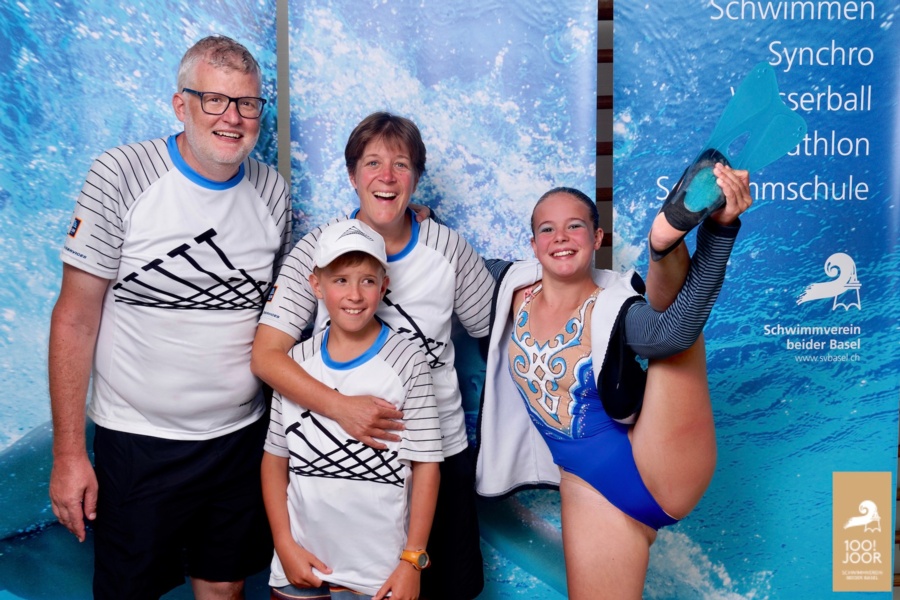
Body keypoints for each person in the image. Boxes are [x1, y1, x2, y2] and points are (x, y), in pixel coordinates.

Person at [48, 35, 291, 599]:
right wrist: (68, 454)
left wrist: (398, 222)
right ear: (181, 104)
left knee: (226, 589)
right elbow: (75, 318)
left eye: (247, 103)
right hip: (138, 441)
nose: (232, 118)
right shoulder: (120, 174)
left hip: (238, 441)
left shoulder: (272, 190)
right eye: (214, 100)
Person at [476, 166, 752, 599]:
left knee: (671, 346)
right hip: (588, 487)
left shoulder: (612, 308)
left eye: (575, 226)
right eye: (547, 229)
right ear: (533, 245)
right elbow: (446, 261)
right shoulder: (512, 290)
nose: (560, 237)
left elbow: (674, 334)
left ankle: (664, 244)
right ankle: (667, 242)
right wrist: (416, 216)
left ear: (597, 238)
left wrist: (721, 232)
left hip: (663, 464)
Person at [252, 112, 491, 599]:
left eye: (401, 165)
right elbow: (267, 357)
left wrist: (548, 284)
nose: (387, 177)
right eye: (373, 163)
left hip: (434, 456)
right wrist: (341, 407)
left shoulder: (447, 247)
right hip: (340, 460)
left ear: (416, 178)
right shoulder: (318, 249)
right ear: (352, 175)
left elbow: (494, 326)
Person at [261, 219, 443, 600]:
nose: (355, 295)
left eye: (367, 281)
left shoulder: (407, 360)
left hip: (378, 574)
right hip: (299, 563)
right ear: (316, 286)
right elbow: (274, 461)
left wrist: (412, 560)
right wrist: (283, 544)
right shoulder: (296, 362)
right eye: (341, 280)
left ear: (384, 286)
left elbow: (426, 466)